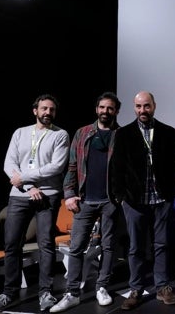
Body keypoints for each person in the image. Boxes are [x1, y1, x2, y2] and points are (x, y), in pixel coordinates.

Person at [0, 94, 70, 312]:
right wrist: (27, 187)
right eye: (44, 109)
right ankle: (9, 292)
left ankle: (45, 292)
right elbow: (9, 163)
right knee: (12, 244)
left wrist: (24, 178)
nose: (47, 113)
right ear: (35, 110)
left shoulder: (60, 135)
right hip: (19, 195)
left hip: (48, 194)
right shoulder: (20, 133)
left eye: (51, 110)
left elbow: (56, 166)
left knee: (46, 244)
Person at [50, 92, 122, 313]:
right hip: (85, 200)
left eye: (110, 108)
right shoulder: (82, 133)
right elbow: (72, 166)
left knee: (109, 246)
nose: (105, 111)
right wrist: (69, 193)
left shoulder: (122, 135)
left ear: (116, 111)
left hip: (111, 200)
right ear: (96, 109)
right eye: (102, 107)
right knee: (77, 247)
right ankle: (72, 293)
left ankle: (101, 287)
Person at [109, 91, 175, 310]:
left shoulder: (168, 132)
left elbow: (174, 167)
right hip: (134, 202)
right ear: (134, 108)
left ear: (154, 106)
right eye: (139, 106)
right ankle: (136, 289)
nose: (142, 111)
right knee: (136, 248)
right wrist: (120, 198)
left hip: (161, 200)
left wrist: (172, 194)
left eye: (146, 106)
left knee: (161, 245)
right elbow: (116, 168)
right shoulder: (123, 134)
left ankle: (162, 287)